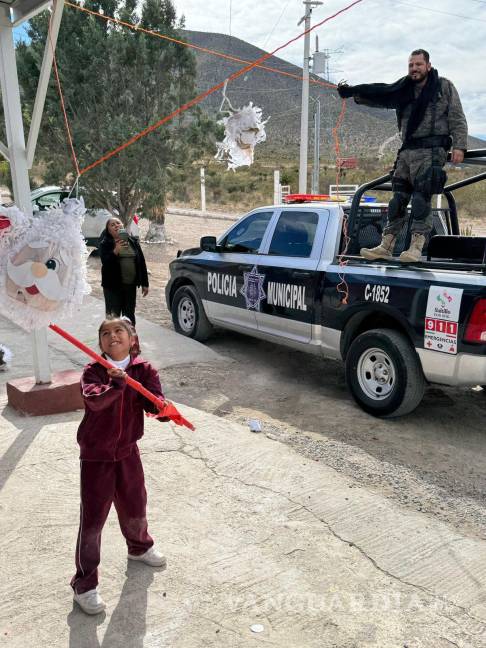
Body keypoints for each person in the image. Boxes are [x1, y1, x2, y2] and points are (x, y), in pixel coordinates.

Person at [71, 317, 167, 615]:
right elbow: (95, 401)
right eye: (105, 333)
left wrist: (163, 408)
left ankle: (139, 547)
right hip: (96, 457)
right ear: (100, 343)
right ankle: (84, 585)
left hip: (128, 452)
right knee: (93, 520)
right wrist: (116, 384)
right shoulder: (93, 372)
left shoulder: (144, 370)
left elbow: (154, 401)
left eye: (118, 331)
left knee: (135, 505)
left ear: (132, 338)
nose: (112, 336)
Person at [337, 49, 468, 262]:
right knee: (397, 200)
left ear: (428, 65)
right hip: (407, 151)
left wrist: (460, 145)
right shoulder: (403, 88)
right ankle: (386, 245)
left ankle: (416, 247)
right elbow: (383, 96)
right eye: (411, 65)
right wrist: (357, 96)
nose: (414, 68)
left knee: (421, 199)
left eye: (418, 64)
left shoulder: (443, 87)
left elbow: (457, 117)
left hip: (432, 150)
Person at [99, 217, 149, 325]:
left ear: (122, 226)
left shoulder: (133, 241)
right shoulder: (105, 243)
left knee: (129, 317)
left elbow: (141, 262)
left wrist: (145, 283)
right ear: (108, 230)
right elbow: (106, 263)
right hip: (112, 288)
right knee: (113, 318)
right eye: (112, 225)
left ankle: (130, 340)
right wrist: (116, 250)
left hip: (130, 287)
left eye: (118, 223)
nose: (116, 225)